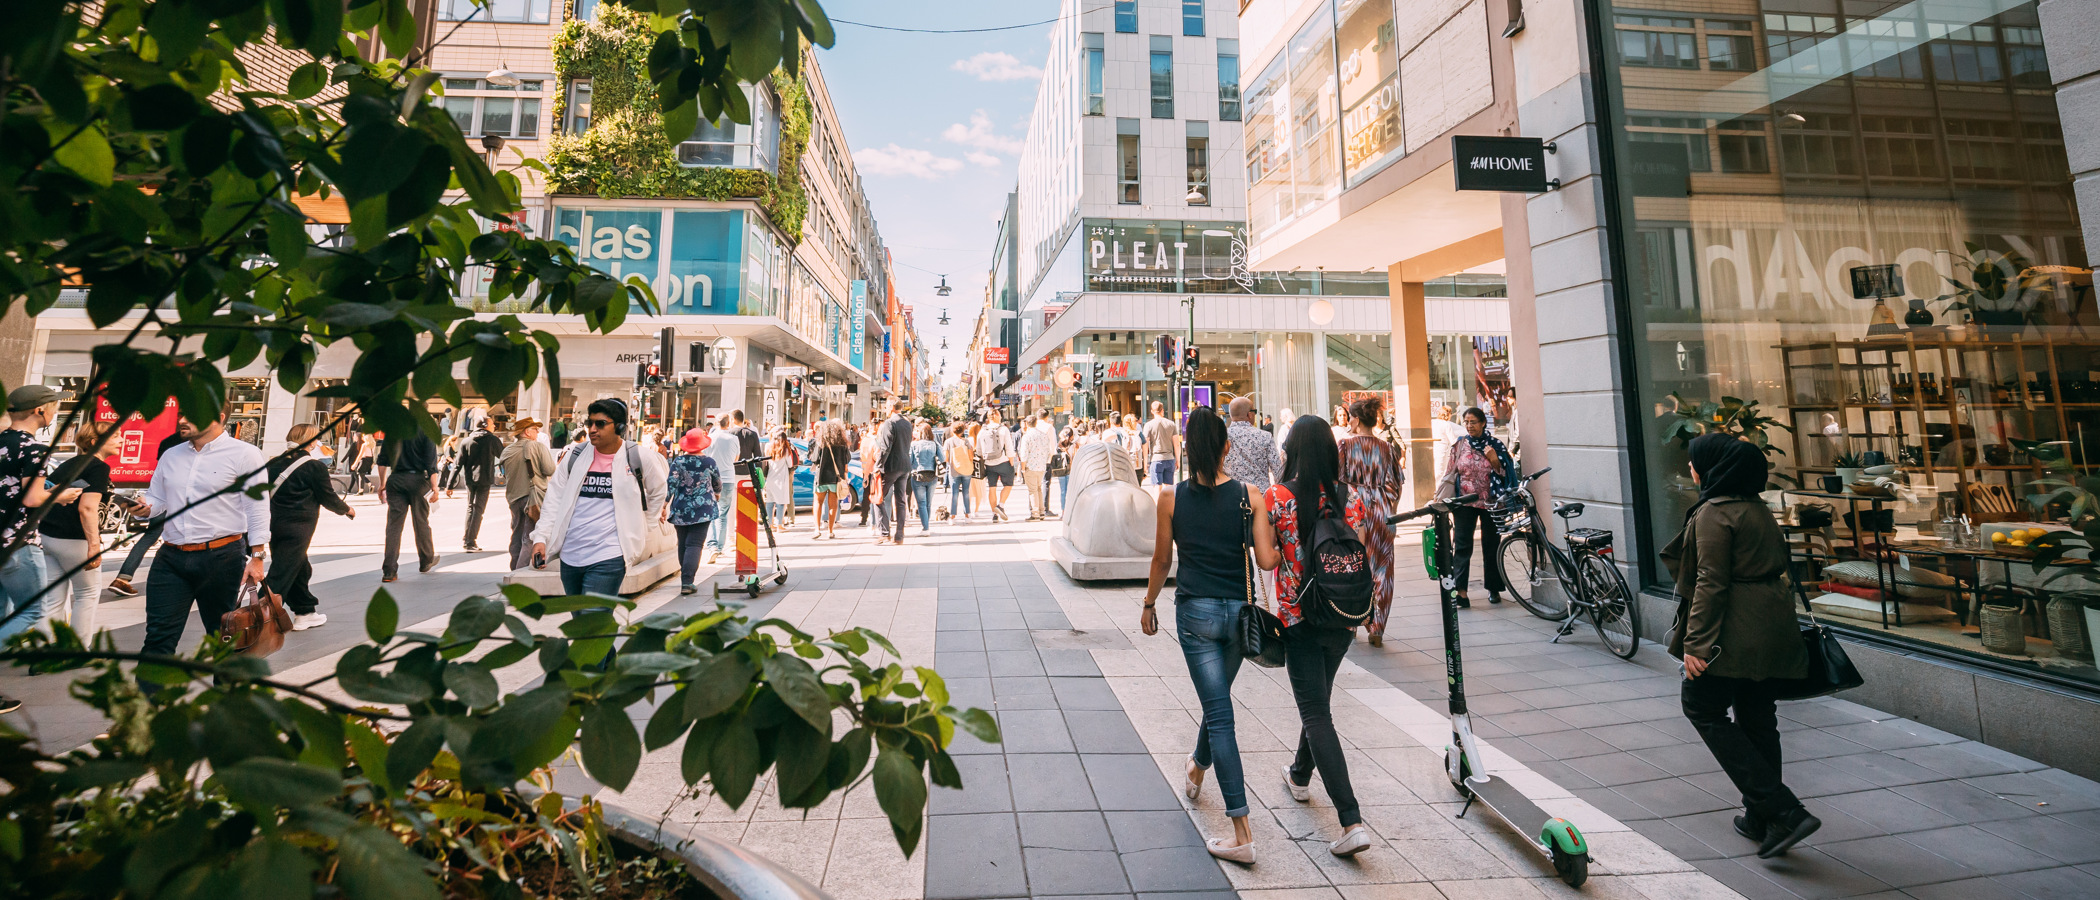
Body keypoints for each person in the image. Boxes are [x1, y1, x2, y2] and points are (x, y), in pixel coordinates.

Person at [1664, 433, 1820, 859]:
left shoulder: (1715, 512)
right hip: (1772, 626)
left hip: (1734, 632)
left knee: (1701, 706)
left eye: (1695, 462)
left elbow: (1710, 582)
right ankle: (1761, 818)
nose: (1691, 468)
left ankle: (1783, 809)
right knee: (1758, 718)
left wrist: (1697, 644)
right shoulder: (1757, 507)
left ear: (1713, 468)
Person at [1141, 406, 1278, 864]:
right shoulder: (1249, 495)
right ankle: (1197, 768)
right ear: (1226, 447)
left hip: (1195, 615)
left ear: (1186, 448)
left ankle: (1242, 833)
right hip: (1238, 616)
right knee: (1217, 704)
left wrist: (1149, 603)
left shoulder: (1170, 497)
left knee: (1218, 713)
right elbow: (1267, 560)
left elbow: (1162, 561)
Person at [1265, 415, 1375, 857]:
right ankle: (1299, 775)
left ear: (1291, 450)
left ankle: (1351, 821)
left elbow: (1268, 559)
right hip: (1342, 615)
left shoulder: (1279, 498)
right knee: (1319, 704)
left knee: (1315, 713)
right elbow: (1359, 553)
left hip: (1299, 619)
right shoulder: (1353, 499)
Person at [125, 405, 271, 659]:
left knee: (224, 637)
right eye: (181, 414)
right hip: (171, 558)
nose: (182, 420)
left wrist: (257, 556)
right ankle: (151, 686)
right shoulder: (171, 455)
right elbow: (158, 498)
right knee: (158, 637)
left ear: (220, 418)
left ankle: (225, 686)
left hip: (222, 557)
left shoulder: (245, 454)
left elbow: (256, 506)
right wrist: (144, 508)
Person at [531, 398, 668, 596]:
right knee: (579, 614)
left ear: (619, 427)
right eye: (590, 423)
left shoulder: (638, 456)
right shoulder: (575, 455)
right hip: (570, 556)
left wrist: (645, 525)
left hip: (610, 555)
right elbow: (554, 499)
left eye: (600, 424)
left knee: (594, 613)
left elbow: (658, 490)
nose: (592, 429)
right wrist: (541, 538)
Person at [265, 423, 355, 631]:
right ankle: (254, 620)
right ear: (311, 442)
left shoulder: (273, 464)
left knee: (300, 567)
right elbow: (328, 497)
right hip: (298, 527)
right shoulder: (315, 467)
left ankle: (305, 612)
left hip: (273, 524)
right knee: (280, 574)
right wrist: (347, 509)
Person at [1337, 397, 1405, 645]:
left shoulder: (1344, 445)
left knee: (1353, 565)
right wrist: (1390, 509)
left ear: (1355, 420)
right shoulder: (1386, 447)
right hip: (1382, 511)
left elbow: (1338, 479)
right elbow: (1396, 484)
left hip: (1353, 511)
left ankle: (1352, 620)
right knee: (1383, 568)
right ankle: (1377, 628)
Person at [37, 420, 114, 637]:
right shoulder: (99, 467)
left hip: (49, 535)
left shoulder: (70, 463)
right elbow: (87, 508)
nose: (121, 440)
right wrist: (94, 546)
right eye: (116, 435)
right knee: (86, 593)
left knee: (52, 598)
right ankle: (78, 647)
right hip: (75, 539)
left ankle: (44, 646)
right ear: (95, 441)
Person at [108, 421, 197, 597]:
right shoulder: (185, 446)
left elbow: (160, 473)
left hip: (162, 494)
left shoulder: (167, 443)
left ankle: (123, 577)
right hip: (173, 498)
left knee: (151, 535)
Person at [1441, 407, 1508, 607]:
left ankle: (1494, 589)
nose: (1469, 426)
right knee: (1462, 546)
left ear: (1483, 423)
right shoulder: (1460, 445)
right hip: (1464, 502)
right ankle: (1460, 592)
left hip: (1491, 502)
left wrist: (1494, 460)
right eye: (1467, 422)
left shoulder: (1495, 445)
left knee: (1492, 546)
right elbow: (1450, 471)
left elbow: (1507, 475)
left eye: (1473, 422)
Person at [379, 428, 440, 583]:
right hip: (418, 480)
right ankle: (426, 560)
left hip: (396, 479)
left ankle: (389, 570)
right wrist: (435, 487)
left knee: (393, 525)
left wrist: (382, 484)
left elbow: (382, 460)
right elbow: (431, 463)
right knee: (421, 521)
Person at [665, 428, 722, 594]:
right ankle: (687, 581)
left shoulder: (678, 462)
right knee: (695, 544)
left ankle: (686, 577)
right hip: (702, 510)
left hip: (680, 508)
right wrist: (717, 493)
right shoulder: (709, 462)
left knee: (683, 543)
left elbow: (671, 484)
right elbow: (717, 482)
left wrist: (664, 504)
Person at [501, 418, 555, 570]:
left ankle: (513, 569)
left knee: (516, 536)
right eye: (535, 429)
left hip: (513, 498)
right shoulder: (537, 446)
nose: (538, 432)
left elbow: (504, 473)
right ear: (527, 432)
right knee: (531, 537)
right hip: (533, 499)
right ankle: (521, 573)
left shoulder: (507, 450)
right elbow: (550, 469)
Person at [866, 400, 914, 544]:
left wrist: (878, 465)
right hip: (905, 465)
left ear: (892, 407)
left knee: (877, 498)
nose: (885, 409)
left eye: (886, 407)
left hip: (891, 466)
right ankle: (899, 536)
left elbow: (885, 447)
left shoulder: (889, 423)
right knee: (900, 501)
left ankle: (884, 533)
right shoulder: (907, 423)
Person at [457, 417, 502, 551]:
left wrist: (449, 485)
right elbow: (504, 456)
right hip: (485, 479)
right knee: (479, 510)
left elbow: (458, 464)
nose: (494, 426)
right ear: (485, 425)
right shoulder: (492, 440)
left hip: (470, 479)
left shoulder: (466, 441)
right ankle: (470, 541)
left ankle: (467, 538)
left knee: (470, 508)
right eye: (492, 424)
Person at [1221, 397, 1282, 493]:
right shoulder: (1265, 436)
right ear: (1249, 415)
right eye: (1255, 411)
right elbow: (1277, 469)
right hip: (1260, 494)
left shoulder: (1222, 436)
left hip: (1231, 493)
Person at [704, 415, 741, 562]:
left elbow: (705, 457)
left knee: (710, 513)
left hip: (711, 479)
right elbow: (736, 459)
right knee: (723, 514)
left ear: (716, 423)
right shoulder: (734, 438)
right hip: (728, 478)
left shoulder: (709, 438)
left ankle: (712, 546)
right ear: (729, 423)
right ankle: (719, 548)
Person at [974, 414, 1016, 522]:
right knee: (1008, 485)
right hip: (1003, 462)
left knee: (992, 488)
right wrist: (1011, 462)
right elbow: (1009, 446)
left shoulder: (982, 431)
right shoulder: (1003, 429)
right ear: (997, 416)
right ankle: (1000, 506)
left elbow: (978, 450)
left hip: (989, 464)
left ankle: (994, 515)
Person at [812, 420, 850, 539]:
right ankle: (830, 531)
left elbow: (815, 459)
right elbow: (847, 459)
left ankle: (817, 529)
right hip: (836, 478)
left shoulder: (820, 442)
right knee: (833, 505)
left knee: (818, 502)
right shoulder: (842, 443)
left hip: (821, 477)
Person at [1018, 415, 1056, 521]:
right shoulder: (1043, 435)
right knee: (1038, 488)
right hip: (1041, 466)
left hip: (1030, 466)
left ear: (1027, 424)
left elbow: (1023, 454)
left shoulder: (1027, 436)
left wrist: (1023, 468)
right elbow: (1048, 450)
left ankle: (1035, 513)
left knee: (1032, 490)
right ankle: (1042, 511)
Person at [909, 422, 939, 534]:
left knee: (921, 503)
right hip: (932, 475)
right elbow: (942, 458)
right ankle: (926, 526)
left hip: (918, 476)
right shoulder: (934, 444)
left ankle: (925, 528)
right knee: (928, 503)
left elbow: (910, 460)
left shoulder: (914, 444)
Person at [764, 427, 797, 529]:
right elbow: (790, 464)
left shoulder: (768, 448)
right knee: (780, 503)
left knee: (769, 503)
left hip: (770, 478)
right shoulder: (785, 450)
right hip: (781, 479)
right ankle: (779, 525)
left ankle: (770, 524)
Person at [943, 422, 974, 523]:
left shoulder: (948, 442)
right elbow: (971, 457)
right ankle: (967, 515)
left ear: (952, 430)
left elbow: (946, 458)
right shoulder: (966, 441)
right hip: (966, 469)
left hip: (954, 470)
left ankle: (952, 516)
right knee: (966, 492)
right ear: (963, 430)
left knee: (954, 493)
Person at [1144, 402, 1180, 487]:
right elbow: (1177, 444)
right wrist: (1178, 460)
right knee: (1169, 487)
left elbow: (1145, 445)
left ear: (1152, 411)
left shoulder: (1148, 425)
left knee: (1157, 486)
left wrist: (1145, 464)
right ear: (1162, 410)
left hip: (1156, 459)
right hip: (1169, 458)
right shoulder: (1171, 424)